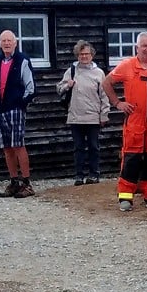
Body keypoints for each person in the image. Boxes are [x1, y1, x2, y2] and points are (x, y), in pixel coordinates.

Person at [104, 33, 147, 210]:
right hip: (134, 121)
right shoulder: (127, 65)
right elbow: (106, 82)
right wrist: (118, 103)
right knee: (131, 159)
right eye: (144, 46)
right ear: (137, 48)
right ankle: (125, 197)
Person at [0, 29, 37, 198]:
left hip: (15, 108)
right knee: (6, 147)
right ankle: (13, 181)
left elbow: (30, 86)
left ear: (15, 43)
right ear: (0, 43)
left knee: (18, 145)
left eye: (9, 40)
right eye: (4, 41)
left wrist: (21, 103)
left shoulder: (22, 60)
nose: (7, 43)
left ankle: (26, 182)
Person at [56, 41, 107, 187]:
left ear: (92, 55)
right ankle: (78, 175)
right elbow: (59, 89)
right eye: (81, 54)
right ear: (77, 55)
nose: (84, 56)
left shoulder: (99, 73)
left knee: (93, 147)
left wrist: (104, 114)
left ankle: (94, 174)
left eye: (87, 54)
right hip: (75, 116)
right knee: (78, 148)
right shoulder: (71, 71)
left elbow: (104, 96)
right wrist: (67, 85)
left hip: (93, 117)